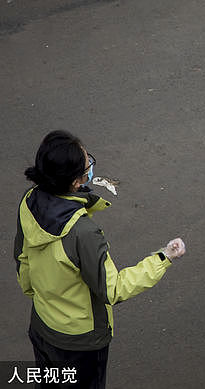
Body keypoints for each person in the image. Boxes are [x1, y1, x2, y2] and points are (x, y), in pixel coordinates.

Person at [13, 130, 187, 388]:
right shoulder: (83, 233)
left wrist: (41, 300)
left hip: (41, 326)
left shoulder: (29, 201)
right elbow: (112, 289)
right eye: (87, 166)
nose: (91, 169)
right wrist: (162, 258)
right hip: (80, 343)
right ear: (75, 182)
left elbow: (22, 261)